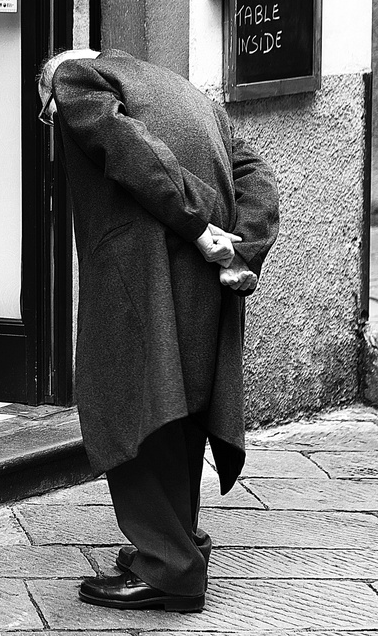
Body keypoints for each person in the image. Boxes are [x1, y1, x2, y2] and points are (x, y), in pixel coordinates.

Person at [37, 48, 279, 612]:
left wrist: (197, 227)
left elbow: (129, 151)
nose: (56, 124)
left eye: (49, 115)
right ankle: (175, 544)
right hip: (204, 275)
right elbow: (255, 173)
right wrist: (242, 247)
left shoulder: (75, 78)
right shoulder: (188, 93)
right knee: (180, 408)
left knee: (130, 404)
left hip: (141, 270)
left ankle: (168, 569)